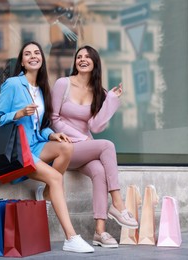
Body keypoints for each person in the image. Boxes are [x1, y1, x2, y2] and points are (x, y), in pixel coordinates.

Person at [0, 41, 94, 253]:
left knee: (67, 147)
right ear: (22, 61)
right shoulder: (12, 84)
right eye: (27, 54)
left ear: (41, 59)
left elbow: (42, 125)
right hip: (19, 150)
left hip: (36, 144)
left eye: (37, 53)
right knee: (56, 177)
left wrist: (53, 134)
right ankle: (71, 237)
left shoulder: (42, 88)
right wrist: (18, 114)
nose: (33, 56)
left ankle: (47, 192)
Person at [45, 45, 138, 248]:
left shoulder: (99, 92)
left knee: (99, 171)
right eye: (79, 57)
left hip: (84, 149)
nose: (82, 59)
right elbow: (53, 118)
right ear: (75, 62)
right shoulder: (63, 84)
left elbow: (96, 126)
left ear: (95, 62)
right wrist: (80, 138)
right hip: (64, 147)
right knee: (107, 146)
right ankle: (118, 203)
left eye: (87, 57)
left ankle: (100, 232)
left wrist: (111, 100)